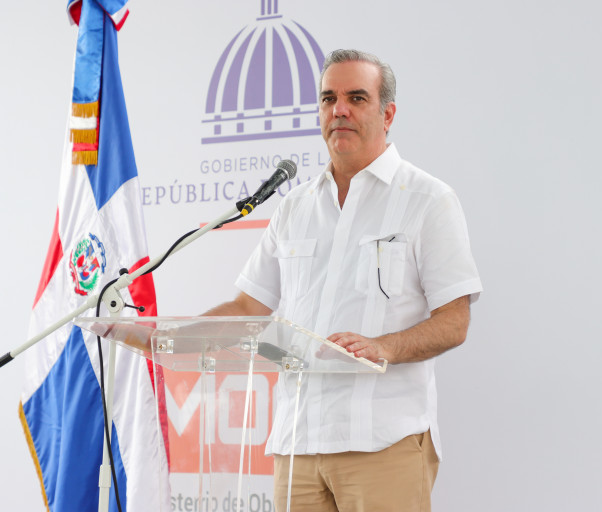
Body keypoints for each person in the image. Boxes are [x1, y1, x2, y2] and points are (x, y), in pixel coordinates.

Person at [205, 49, 482, 512]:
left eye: (356, 98)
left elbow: (455, 322)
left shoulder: (428, 199)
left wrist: (384, 346)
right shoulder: (294, 207)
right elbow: (247, 309)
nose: (339, 110)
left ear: (387, 114)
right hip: (297, 445)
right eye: (328, 99)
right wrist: (170, 335)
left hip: (383, 442)